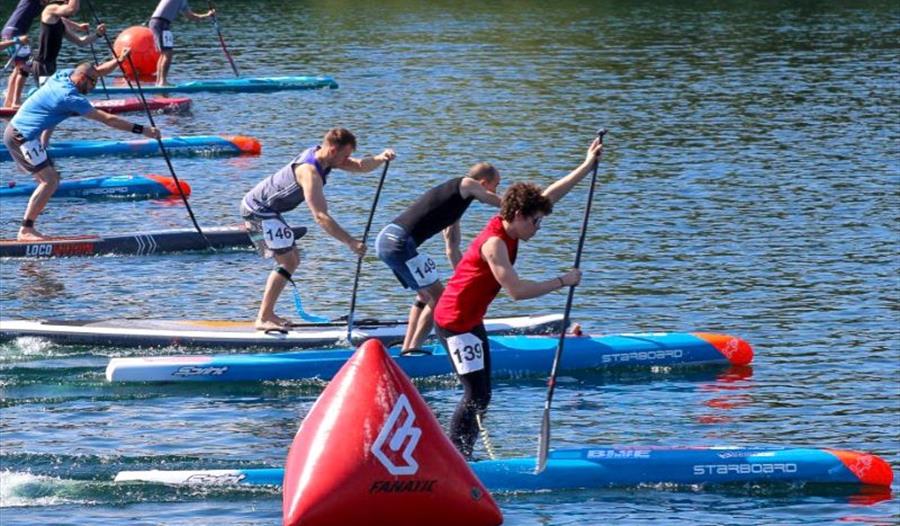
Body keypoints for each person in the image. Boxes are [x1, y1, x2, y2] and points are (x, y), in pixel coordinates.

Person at [432, 137, 603, 459]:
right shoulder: (495, 244)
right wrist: (563, 281)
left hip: (471, 320)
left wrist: (586, 165)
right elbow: (516, 292)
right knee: (475, 394)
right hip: (454, 322)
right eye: (535, 222)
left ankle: (462, 454)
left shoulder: (511, 221)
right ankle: (457, 456)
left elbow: (551, 195)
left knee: (483, 394)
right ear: (520, 215)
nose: (538, 227)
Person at [241, 128, 396, 331]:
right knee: (288, 261)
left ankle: (268, 313)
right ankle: (263, 317)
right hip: (258, 210)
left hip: (269, 210)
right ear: (333, 150)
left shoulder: (326, 158)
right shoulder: (309, 172)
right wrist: (350, 242)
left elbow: (360, 165)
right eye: (345, 155)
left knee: (293, 260)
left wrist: (381, 158)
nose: (347, 160)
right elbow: (320, 216)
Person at [3, 53, 161, 240]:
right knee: (50, 181)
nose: (93, 88)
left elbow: (97, 71)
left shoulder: (63, 74)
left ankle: (32, 221)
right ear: (82, 78)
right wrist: (143, 130)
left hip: (21, 132)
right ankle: (26, 230)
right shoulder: (70, 97)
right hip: (22, 137)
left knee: (51, 179)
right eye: (93, 83)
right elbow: (108, 119)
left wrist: (118, 60)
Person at [375, 163, 501, 352]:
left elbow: (452, 247)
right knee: (439, 298)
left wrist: (465, 280)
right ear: (483, 183)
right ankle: (413, 350)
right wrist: (524, 205)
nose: (496, 191)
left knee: (424, 295)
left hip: (385, 239)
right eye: (496, 185)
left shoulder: (455, 204)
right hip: (398, 242)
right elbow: (495, 201)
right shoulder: (466, 183)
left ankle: (407, 347)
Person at [31, 0, 106, 86]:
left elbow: (81, 42)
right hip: (42, 64)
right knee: (48, 92)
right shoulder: (49, 10)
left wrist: (97, 34)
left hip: (51, 64)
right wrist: (77, 26)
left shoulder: (60, 24)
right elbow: (71, 9)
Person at [148, 0, 214, 86]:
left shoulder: (183, 2)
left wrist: (208, 15)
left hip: (160, 23)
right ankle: (162, 82)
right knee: (167, 53)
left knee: (165, 53)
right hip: (160, 23)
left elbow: (191, 16)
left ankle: (159, 82)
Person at [2, 0, 41, 108]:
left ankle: (9, 102)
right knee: (25, 67)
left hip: (11, 32)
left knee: (18, 68)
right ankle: (16, 101)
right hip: (15, 33)